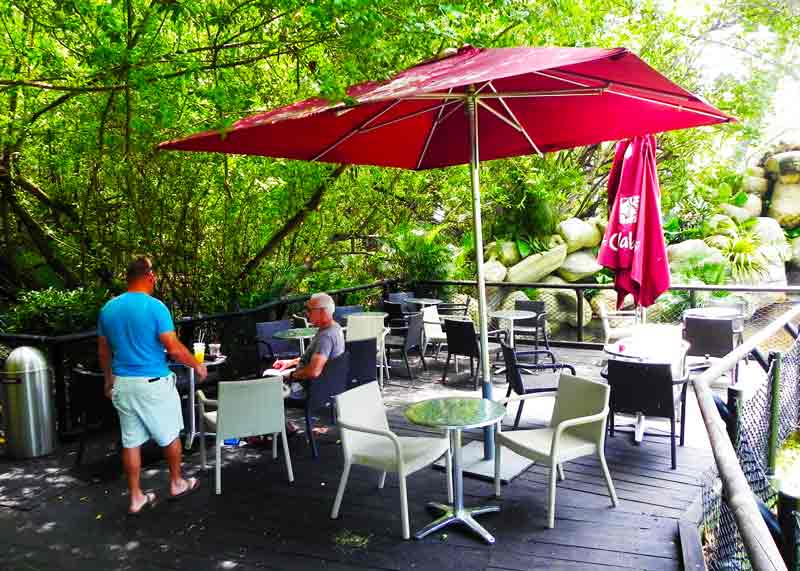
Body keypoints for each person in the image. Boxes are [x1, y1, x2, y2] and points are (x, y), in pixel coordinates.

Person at [97, 257, 207, 515]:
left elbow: (103, 351)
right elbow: (173, 347)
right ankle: (177, 483)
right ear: (149, 276)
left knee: (131, 442)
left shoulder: (109, 309)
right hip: (153, 383)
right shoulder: (156, 307)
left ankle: (136, 497)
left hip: (123, 384)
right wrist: (196, 365)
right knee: (170, 435)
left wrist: (108, 379)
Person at [272, 292, 345, 428]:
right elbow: (319, 359)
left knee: (266, 390)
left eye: (310, 310)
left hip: (310, 390)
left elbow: (314, 371)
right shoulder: (334, 328)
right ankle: (283, 428)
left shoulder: (326, 337)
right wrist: (291, 362)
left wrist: (290, 375)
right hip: (327, 386)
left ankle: (278, 431)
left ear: (322, 311)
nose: (306, 313)